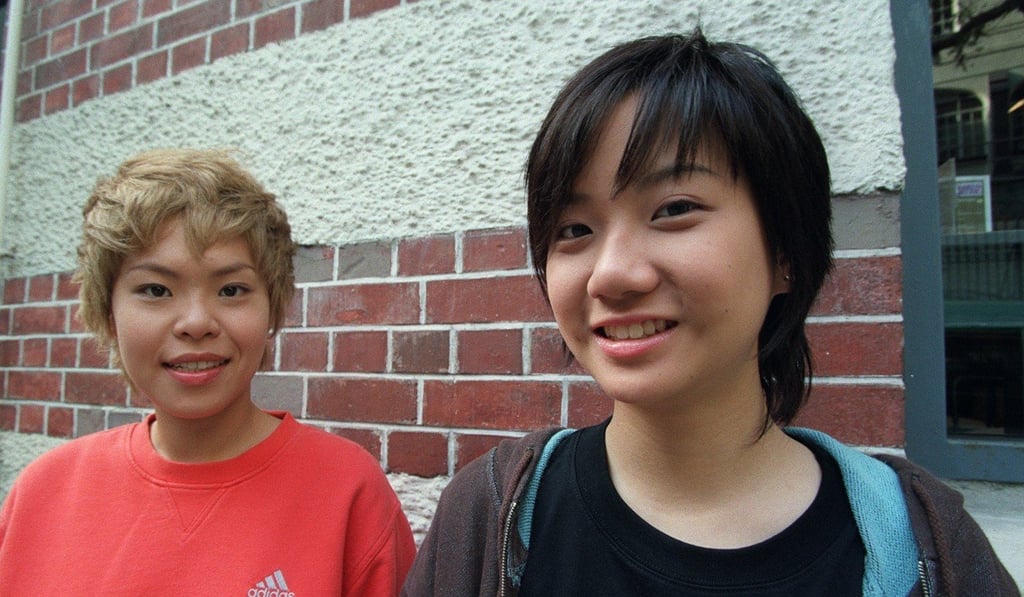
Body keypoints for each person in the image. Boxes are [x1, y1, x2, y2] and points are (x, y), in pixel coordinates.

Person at [402, 30, 1019, 596]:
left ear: (785, 252)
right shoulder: (490, 516)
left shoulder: (928, 545)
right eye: (574, 228)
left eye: (673, 209)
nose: (612, 274)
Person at [0, 148, 416, 595]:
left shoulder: (349, 493)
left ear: (272, 310)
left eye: (231, 289)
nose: (196, 322)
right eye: (156, 289)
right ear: (107, 313)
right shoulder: (42, 494)